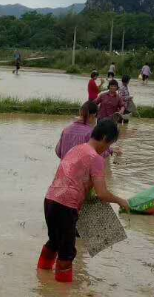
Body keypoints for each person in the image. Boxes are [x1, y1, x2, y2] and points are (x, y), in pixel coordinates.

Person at [38, 119, 128, 283]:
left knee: (54, 241)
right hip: (66, 205)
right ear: (105, 138)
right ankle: (62, 296)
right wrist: (120, 200)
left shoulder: (76, 149)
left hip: (50, 199)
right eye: (108, 145)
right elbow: (102, 193)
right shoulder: (96, 158)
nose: (107, 149)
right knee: (67, 251)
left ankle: (42, 278)